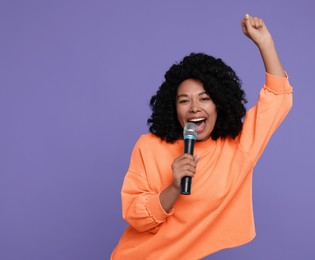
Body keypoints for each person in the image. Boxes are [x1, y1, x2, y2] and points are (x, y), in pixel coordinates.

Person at [111, 14, 293, 260]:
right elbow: (135, 215)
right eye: (184, 100)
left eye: (204, 98)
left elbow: (278, 98)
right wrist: (174, 187)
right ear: (173, 108)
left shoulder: (238, 149)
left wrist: (266, 43)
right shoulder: (149, 147)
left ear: (219, 104)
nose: (194, 107)